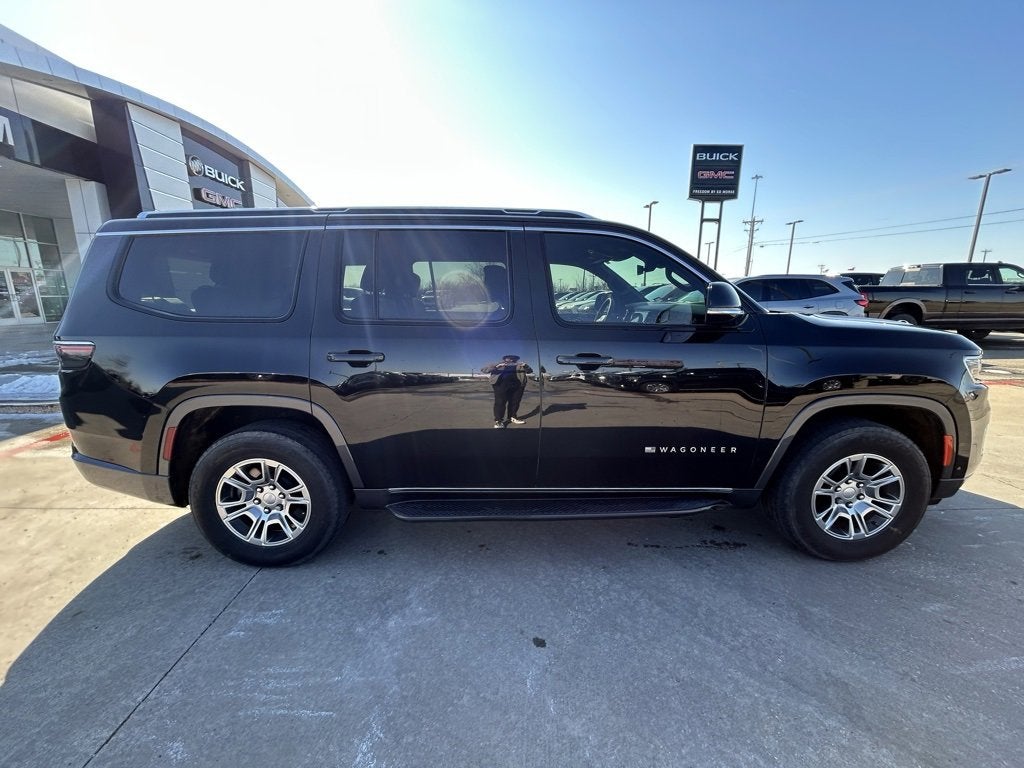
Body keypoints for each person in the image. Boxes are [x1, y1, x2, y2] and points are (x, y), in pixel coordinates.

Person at [481, 354, 532, 428]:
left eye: (513, 358)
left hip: (517, 385)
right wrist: (496, 366)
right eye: (509, 358)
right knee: (500, 402)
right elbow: (484, 370)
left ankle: (512, 417)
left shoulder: (521, 365)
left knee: (515, 402)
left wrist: (526, 366)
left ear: (516, 359)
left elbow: (530, 371)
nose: (511, 360)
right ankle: (498, 421)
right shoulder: (498, 364)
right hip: (500, 385)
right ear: (505, 359)